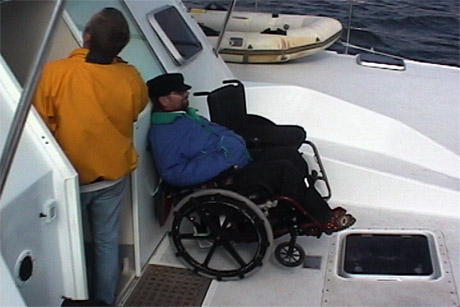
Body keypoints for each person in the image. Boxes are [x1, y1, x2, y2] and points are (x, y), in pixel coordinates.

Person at [33, 8, 148, 305]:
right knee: (106, 244)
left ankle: (73, 298)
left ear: (86, 37)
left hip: (70, 179)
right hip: (112, 175)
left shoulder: (55, 73)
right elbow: (136, 110)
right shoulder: (131, 75)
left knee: (69, 246)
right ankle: (104, 301)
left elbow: (41, 126)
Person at [147, 73, 355, 234]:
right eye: (180, 93)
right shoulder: (165, 133)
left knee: (291, 156)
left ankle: (306, 211)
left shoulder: (185, 117)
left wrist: (234, 145)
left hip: (237, 161)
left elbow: (217, 133)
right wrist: (225, 158)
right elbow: (174, 173)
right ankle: (322, 218)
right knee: (283, 170)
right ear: (164, 101)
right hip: (224, 177)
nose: (186, 95)